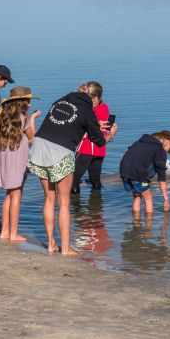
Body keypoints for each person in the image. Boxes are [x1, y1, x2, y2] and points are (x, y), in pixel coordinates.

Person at [29, 89, 106, 255]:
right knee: (64, 201)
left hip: (39, 145)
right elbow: (99, 141)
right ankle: (65, 248)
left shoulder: (59, 101)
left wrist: (90, 125)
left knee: (49, 197)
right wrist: (109, 133)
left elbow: (66, 123)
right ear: (92, 98)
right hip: (61, 151)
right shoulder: (87, 110)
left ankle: (51, 243)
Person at [0, 87, 41, 242]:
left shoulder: (3, 117)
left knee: (8, 195)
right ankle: (13, 234)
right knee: (17, 196)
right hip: (18, 161)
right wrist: (33, 119)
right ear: (23, 102)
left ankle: (4, 232)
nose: (29, 104)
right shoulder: (23, 118)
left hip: (5, 159)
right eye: (28, 101)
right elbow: (32, 138)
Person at [72, 81, 118, 194]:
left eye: (87, 97)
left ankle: (75, 210)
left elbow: (84, 124)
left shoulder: (84, 108)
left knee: (73, 181)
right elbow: (104, 130)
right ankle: (96, 209)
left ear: (96, 97)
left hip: (86, 149)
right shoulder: (104, 107)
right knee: (95, 182)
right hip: (99, 150)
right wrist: (111, 134)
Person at [119, 131, 170, 216]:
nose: (166, 152)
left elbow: (127, 154)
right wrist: (166, 199)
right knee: (148, 197)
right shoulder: (159, 149)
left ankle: (136, 221)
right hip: (138, 174)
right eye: (168, 149)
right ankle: (149, 224)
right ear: (169, 142)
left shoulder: (140, 142)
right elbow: (161, 176)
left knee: (137, 195)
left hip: (124, 171)